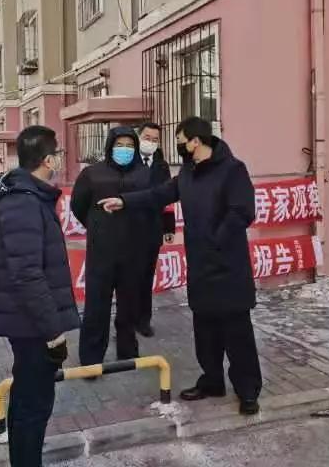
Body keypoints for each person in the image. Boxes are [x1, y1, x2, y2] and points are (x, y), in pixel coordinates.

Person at [99, 117, 263, 415]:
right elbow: (159, 194)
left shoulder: (232, 170)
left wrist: (215, 240)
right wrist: (124, 201)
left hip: (228, 267)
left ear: (196, 142)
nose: (178, 147)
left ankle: (248, 390)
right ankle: (212, 381)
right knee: (205, 331)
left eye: (181, 141)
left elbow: (242, 212)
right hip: (200, 266)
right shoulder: (188, 173)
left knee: (237, 333)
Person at [0, 126, 80, 466]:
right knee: (32, 404)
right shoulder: (23, 202)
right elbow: (27, 274)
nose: (60, 160)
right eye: (58, 154)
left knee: (30, 398)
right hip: (30, 323)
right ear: (48, 160)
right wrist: (53, 332)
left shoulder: (28, 195)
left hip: (29, 318)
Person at [71, 126, 155, 366]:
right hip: (102, 252)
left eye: (130, 146)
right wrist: (96, 225)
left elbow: (152, 205)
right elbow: (78, 205)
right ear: (110, 146)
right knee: (96, 307)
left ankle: (127, 353)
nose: (125, 150)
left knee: (129, 305)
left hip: (134, 251)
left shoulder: (144, 175)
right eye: (120, 145)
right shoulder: (92, 174)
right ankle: (91, 359)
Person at [135, 122, 177, 338]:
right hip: (128, 229)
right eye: (147, 137)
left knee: (146, 276)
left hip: (152, 229)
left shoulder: (161, 166)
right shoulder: (127, 161)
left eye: (154, 139)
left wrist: (169, 227)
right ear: (138, 137)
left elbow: (168, 198)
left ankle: (143, 320)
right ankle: (125, 321)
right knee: (127, 278)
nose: (150, 142)